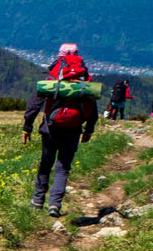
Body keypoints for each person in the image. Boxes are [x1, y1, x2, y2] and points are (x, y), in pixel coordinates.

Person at [25, 74, 98, 217]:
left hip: (50, 128)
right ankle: (54, 205)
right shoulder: (85, 84)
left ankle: (37, 201)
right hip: (74, 130)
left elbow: (35, 105)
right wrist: (88, 130)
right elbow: (92, 110)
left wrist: (27, 127)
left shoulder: (52, 79)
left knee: (46, 163)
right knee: (63, 168)